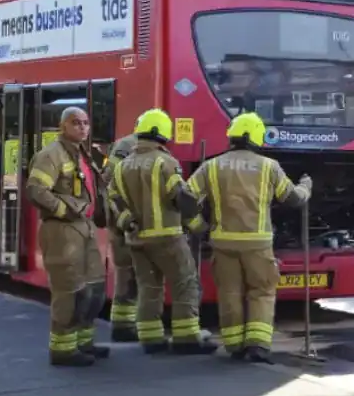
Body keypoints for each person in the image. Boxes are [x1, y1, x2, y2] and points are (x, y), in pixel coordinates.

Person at [188, 112, 311, 362]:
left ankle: (234, 346)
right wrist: (306, 186)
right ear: (256, 136)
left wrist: (198, 226)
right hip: (258, 244)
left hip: (223, 242)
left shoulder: (211, 165)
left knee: (229, 293)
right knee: (262, 291)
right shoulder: (269, 166)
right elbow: (293, 199)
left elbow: (184, 197)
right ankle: (258, 346)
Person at [111, 109, 218, 355]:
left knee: (149, 288)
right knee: (185, 284)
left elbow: (114, 200)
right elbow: (180, 197)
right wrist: (198, 213)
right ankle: (187, 337)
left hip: (136, 240)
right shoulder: (165, 162)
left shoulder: (123, 165)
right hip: (167, 237)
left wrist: (129, 222)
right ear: (162, 134)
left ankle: (151, 339)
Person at [25, 107, 107, 366]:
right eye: (76, 123)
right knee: (69, 292)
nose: (82, 128)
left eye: (85, 123)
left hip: (86, 228)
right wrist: (64, 210)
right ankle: (62, 349)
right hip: (62, 230)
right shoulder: (51, 155)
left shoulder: (84, 153)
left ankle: (83, 342)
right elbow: (36, 190)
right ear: (63, 126)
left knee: (94, 290)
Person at [101, 131, 140, 342]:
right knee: (130, 274)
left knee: (126, 273)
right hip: (124, 222)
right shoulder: (129, 146)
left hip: (119, 219)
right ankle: (125, 326)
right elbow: (109, 179)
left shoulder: (125, 144)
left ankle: (123, 324)